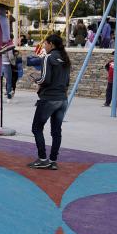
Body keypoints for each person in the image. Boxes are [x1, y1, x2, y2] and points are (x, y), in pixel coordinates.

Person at [28, 34, 71, 170]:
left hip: (49, 99)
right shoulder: (65, 59)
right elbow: (67, 81)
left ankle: (42, 159)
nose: (44, 47)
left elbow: (45, 79)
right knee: (56, 131)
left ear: (51, 44)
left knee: (36, 128)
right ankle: (53, 161)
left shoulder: (48, 58)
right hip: (62, 99)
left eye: (45, 44)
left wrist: (36, 81)